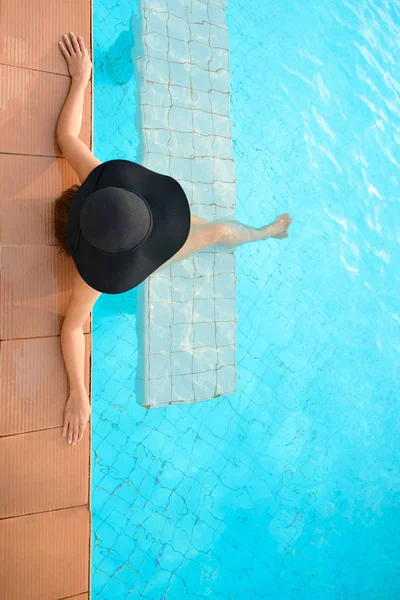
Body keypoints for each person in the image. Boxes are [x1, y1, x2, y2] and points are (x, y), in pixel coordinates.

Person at [56, 33, 293, 446]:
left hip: (147, 220)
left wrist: (80, 79)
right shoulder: (93, 245)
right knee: (216, 230)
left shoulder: (101, 203)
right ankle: (264, 234)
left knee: (207, 226)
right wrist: (77, 390)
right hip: (151, 235)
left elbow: (65, 138)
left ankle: (259, 233)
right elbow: (71, 328)